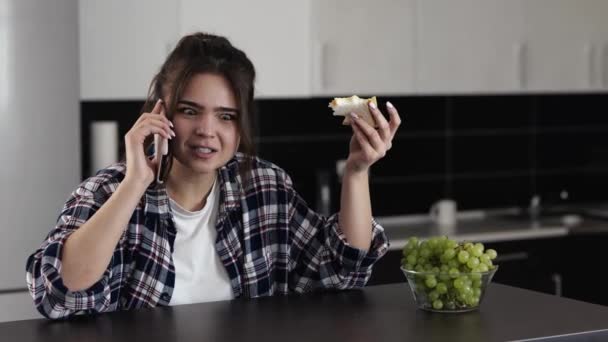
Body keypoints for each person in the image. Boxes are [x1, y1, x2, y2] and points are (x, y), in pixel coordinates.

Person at [25, 32, 401, 320]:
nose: (207, 130)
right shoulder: (109, 190)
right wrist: (135, 184)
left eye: (226, 116)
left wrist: (356, 171)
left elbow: (342, 270)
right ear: (162, 111)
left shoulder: (265, 187)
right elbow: (59, 295)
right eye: (190, 111)